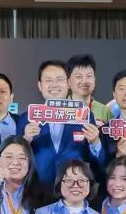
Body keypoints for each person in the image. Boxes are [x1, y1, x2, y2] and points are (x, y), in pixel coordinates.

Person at [20, 60, 106, 196]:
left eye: (59, 79)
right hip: (36, 194)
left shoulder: (84, 116)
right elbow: (16, 159)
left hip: (74, 192)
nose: (54, 84)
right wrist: (25, 139)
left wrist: (95, 142)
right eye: (48, 80)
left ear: (69, 83)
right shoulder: (26, 118)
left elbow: (98, 163)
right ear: (40, 85)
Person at [67, 53, 110, 123]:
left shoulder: (104, 111)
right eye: (79, 76)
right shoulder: (59, 108)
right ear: (69, 82)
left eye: (89, 76)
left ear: (94, 79)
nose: (84, 81)